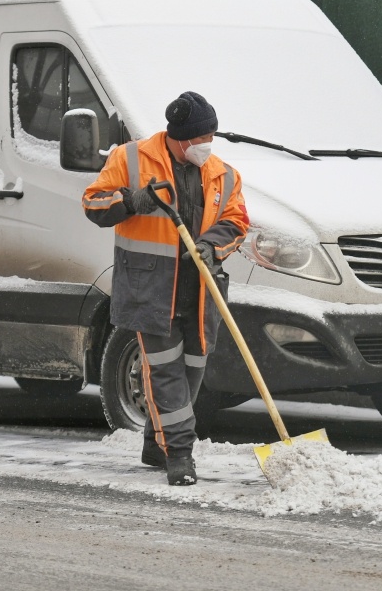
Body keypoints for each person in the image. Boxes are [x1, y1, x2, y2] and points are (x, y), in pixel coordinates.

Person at [81, 91, 249, 485]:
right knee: (164, 373)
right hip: (150, 288)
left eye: (211, 135)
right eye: (200, 138)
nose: (207, 144)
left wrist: (211, 247)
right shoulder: (131, 158)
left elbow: (236, 220)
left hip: (200, 291)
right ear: (179, 137)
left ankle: (156, 444)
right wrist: (131, 200)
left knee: (192, 372)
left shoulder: (223, 174)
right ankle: (180, 454)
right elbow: (92, 204)